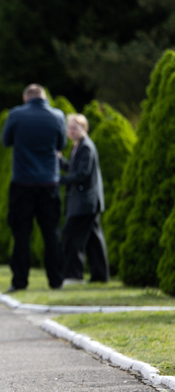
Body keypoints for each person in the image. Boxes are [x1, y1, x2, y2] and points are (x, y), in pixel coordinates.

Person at [1, 84, 67, 291]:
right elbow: (61, 144)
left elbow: (6, 141)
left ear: (26, 97)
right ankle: (56, 280)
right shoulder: (57, 116)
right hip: (49, 182)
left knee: (21, 234)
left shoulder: (16, 114)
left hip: (23, 182)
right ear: (44, 97)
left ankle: (20, 282)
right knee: (51, 233)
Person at [59, 113, 109, 284]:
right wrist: (60, 160)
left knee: (71, 236)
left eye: (75, 128)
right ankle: (100, 276)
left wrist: (58, 180)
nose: (71, 131)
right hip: (86, 202)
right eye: (69, 128)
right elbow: (74, 169)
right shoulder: (79, 146)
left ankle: (73, 275)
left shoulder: (86, 147)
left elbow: (81, 175)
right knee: (94, 241)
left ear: (83, 128)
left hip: (85, 202)